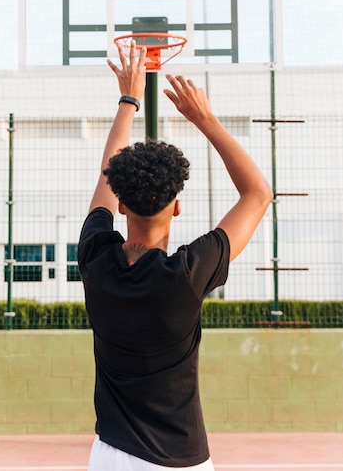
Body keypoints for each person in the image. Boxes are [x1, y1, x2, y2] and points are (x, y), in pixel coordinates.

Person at [78, 41, 272, 470]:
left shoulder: (96, 258)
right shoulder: (186, 274)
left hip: (109, 456)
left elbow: (107, 173)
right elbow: (258, 195)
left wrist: (129, 98)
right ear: (177, 206)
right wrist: (205, 120)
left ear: (122, 204)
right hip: (178, 460)